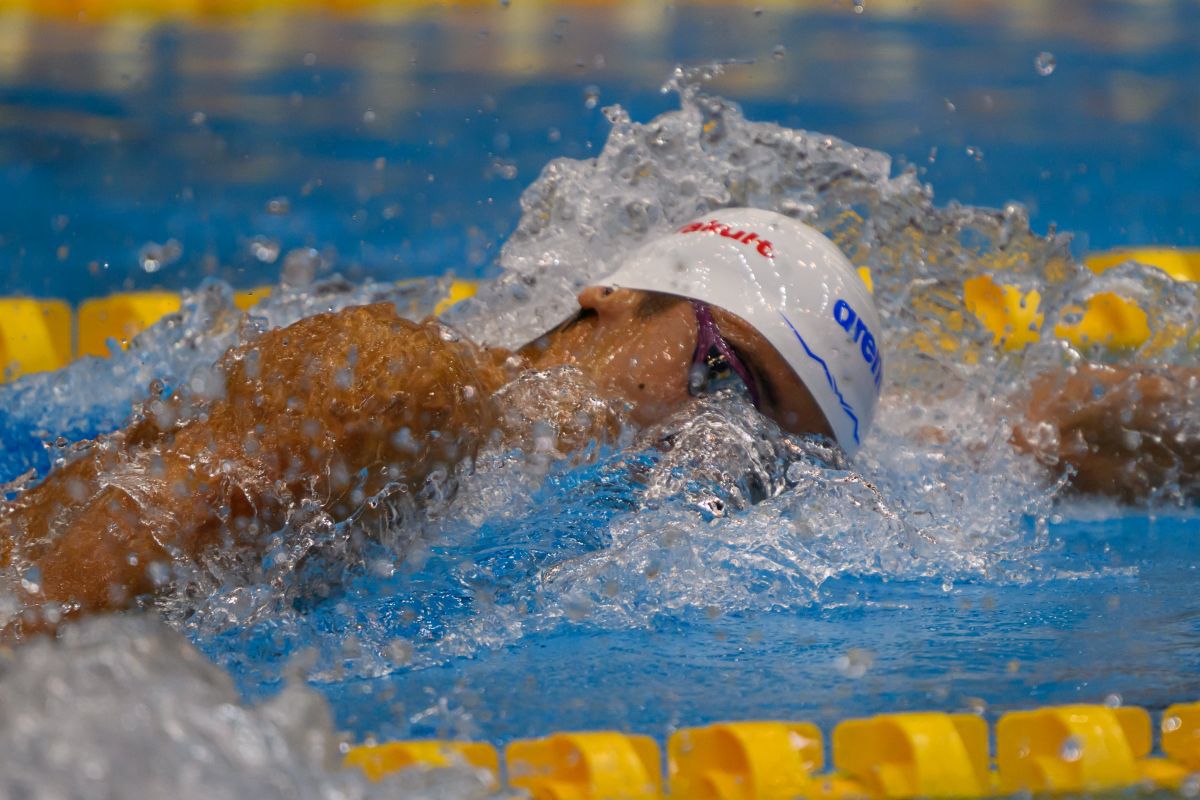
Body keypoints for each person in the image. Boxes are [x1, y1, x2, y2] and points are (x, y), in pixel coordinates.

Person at [1, 209, 1194, 639]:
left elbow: (1020, 430)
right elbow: (41, 607)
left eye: (776, 457)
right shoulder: (401, 393)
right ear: (610, 295)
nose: (720, 447)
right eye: (722, 375)